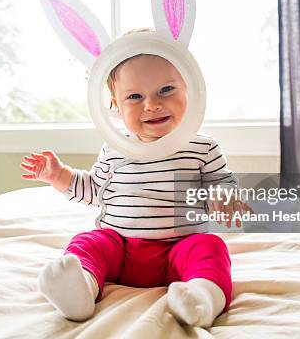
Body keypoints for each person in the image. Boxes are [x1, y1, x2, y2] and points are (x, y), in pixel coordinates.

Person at [21, 53, 247, 327]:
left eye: (166, 89)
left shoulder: (202, 147)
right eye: (135, 97)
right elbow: (95, 189)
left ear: (189, 88)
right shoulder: (115, 147)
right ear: (116, 105)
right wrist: (58, 175)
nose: (152, 105)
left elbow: (222, 185)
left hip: (178, 249)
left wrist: (224, 198)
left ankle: (201, 297)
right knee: (89, 241)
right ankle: (81, 287)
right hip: (121, 249)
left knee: (210, 246)